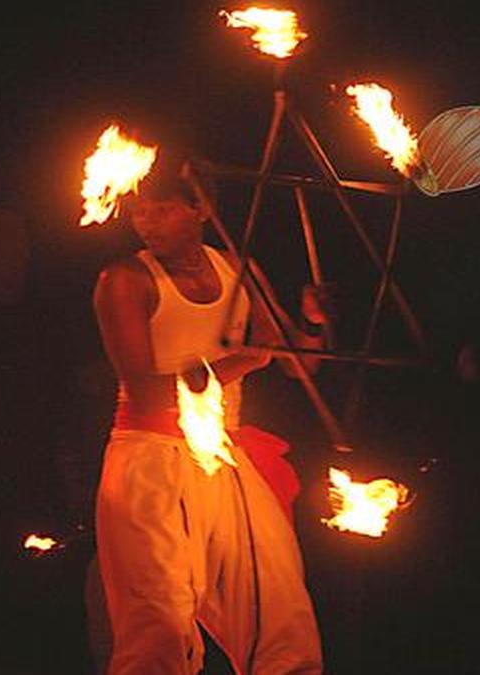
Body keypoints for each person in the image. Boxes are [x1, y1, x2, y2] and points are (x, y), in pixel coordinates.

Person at [91, 155, 323, 674]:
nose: (147, 223)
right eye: (140, 211)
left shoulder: (238, 269)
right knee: (158, 625)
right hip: (150, 460)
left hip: (224, 461)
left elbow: (297, 364)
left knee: (280, 611)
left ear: (201, 208)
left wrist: (312, 324)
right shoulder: (124, 279)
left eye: (162, 209)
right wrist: (242, 360)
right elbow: (146, 393)